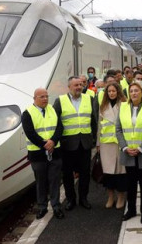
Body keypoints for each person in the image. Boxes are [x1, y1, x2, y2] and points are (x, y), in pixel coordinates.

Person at [53, 76, 98, 211]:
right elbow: (56, 123)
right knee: (67, 174)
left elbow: (93, 121)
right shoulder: (60, 101)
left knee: (85, 173)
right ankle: (70, 199)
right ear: (69, 87)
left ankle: (83, 198)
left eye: (80, 85)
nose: (79, 87)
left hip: (84, 143)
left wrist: (93, 139)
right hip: (67, 144)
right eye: (75, 85)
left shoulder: (89, 99)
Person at [116, 82, 142, 224]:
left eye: (136, 91)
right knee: (130, 184)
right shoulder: (123, 107)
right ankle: (131, 210)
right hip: (128, 152)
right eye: (131, 91)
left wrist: (141, 148)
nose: (134, 93)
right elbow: (119, 130)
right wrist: (125, 147)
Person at [22, 88, 65, 220]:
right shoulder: (27, 113)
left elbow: (60, 128)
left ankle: (56, 206)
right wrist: (45, 144)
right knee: (41, 182)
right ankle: (42, 207)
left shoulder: (52, 109)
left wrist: (53, 141)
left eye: (46, 96)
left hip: (55, 152)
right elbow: (30, 133)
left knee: (54, 180)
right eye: (42, 97)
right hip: (37, 154)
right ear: (34, 98)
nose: (45, 99)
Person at [97, 82, 127, 209]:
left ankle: (121, 196)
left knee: (121, 172)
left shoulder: (125, 105)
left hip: (121, 143)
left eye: (113, 91)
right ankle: (110, 196)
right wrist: (98, 143)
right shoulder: (103, 106)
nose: (111, 93)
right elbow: (99, 126)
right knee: (108, 172)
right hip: (106, 144)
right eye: (109, 91)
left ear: (118, 92)